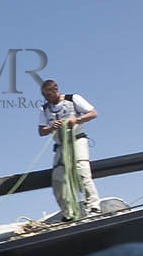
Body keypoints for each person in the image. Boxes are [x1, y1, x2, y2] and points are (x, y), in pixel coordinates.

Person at [37, 78, 101, 220]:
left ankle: (93, 206)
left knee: (81, 170)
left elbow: (93, 113)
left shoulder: (73, 99)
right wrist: (51, 127)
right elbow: (41, 131)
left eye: (49, 95)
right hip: (60, 146)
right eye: (44, 96)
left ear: (55, 91)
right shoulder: (44, 109)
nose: (47, 98)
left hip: (77, 139)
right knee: (58, 180)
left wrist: (76, 120)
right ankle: (68, 213)